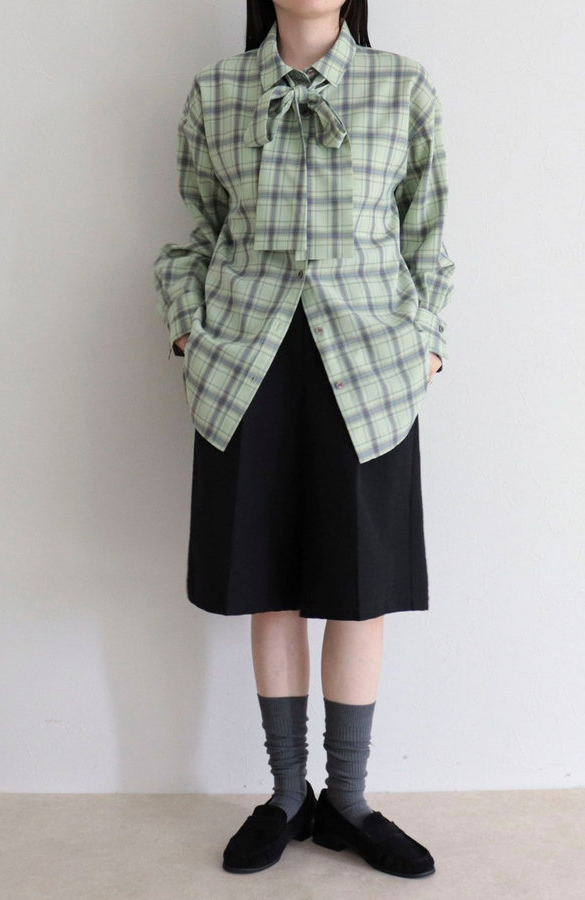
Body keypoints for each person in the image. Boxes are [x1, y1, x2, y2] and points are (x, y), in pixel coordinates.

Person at [153, 0, 455, 880]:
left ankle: (347, 802)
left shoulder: (402, 87)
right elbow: (200, 230)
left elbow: (428, 235)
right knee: (270, 584)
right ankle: (287, 795)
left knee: (361, 589)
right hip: (247, 361)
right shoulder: (217, 92)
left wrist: (426, 345)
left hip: (368, 365)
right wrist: (189, 332)